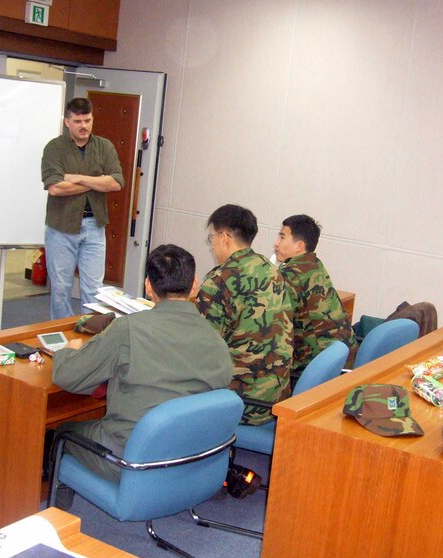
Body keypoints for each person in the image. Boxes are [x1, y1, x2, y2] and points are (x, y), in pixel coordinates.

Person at [51, 244, 233, 483]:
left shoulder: (127, 329)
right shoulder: (216, 340)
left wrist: (67, 352)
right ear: (195, 285)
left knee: (62, 432)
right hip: (191, 455)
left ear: (148, 287)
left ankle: (59, 515)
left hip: (132, 460)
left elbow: (68, 377)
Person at [196, 204, 293, 425]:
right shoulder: (272, 270)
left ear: (224, 237)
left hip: (241, 402)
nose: (212, 246)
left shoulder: (219, 281)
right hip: (276, 397)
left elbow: (200, 352)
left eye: (211, 238)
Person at [41, 97, 124, 320]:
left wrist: (78, 178)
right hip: (61, 228)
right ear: (67, 122)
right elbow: (56, 188)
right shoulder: (54, 148)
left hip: (94, 227)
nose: (84, 126)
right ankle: (62, 335)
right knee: (60, 288)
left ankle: (90, 338)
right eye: (78, 121)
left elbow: (116, 183)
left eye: (87, 120)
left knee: (94, 290)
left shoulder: (104, 147)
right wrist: (96, 181)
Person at [273, 214, 357, 380]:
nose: (276, 243)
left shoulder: (289, 274)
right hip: (342, 356)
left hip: (315, 366)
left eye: (282, 237)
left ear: (299, 246)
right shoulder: (314, 263)